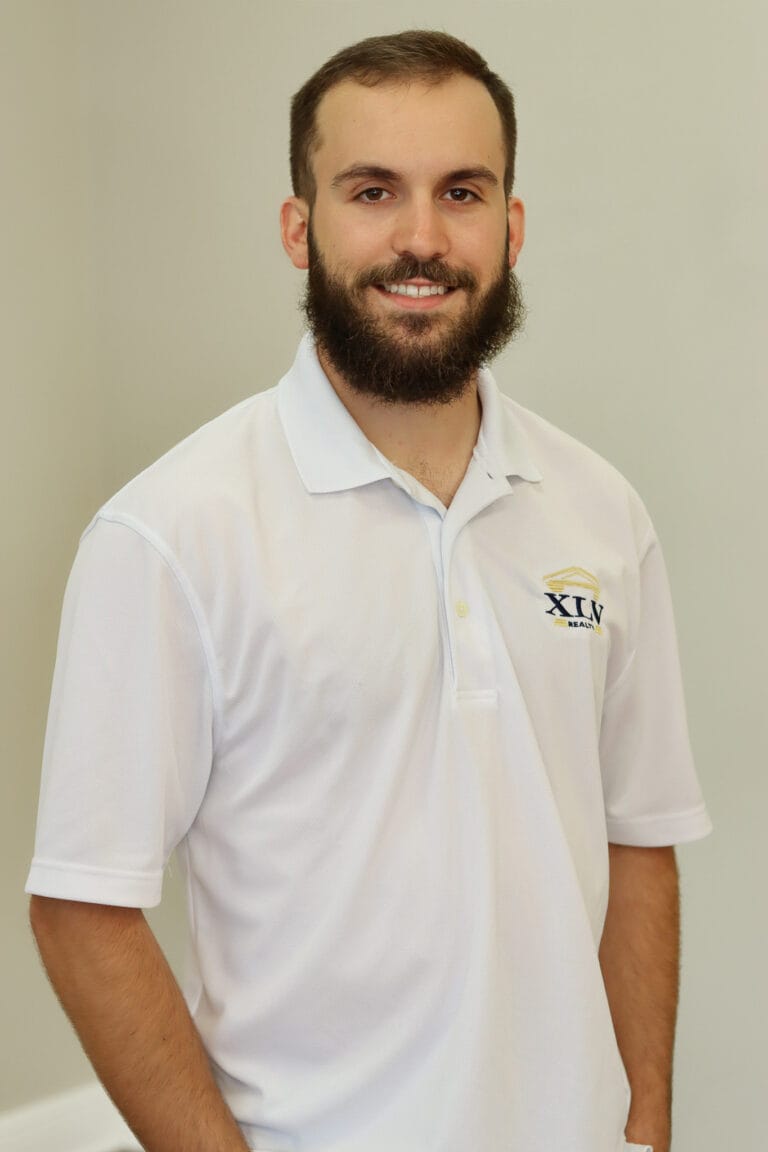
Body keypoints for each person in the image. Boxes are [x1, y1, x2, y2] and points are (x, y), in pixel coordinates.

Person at [26, 29, 712, 1152]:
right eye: (372, 190)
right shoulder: (169, 535)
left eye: (462, 192)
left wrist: (643, 1125)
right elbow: (82, 907)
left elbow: (640, 839)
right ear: (299, 227)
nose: (421, 238)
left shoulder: (601, 512)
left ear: (512, 227)